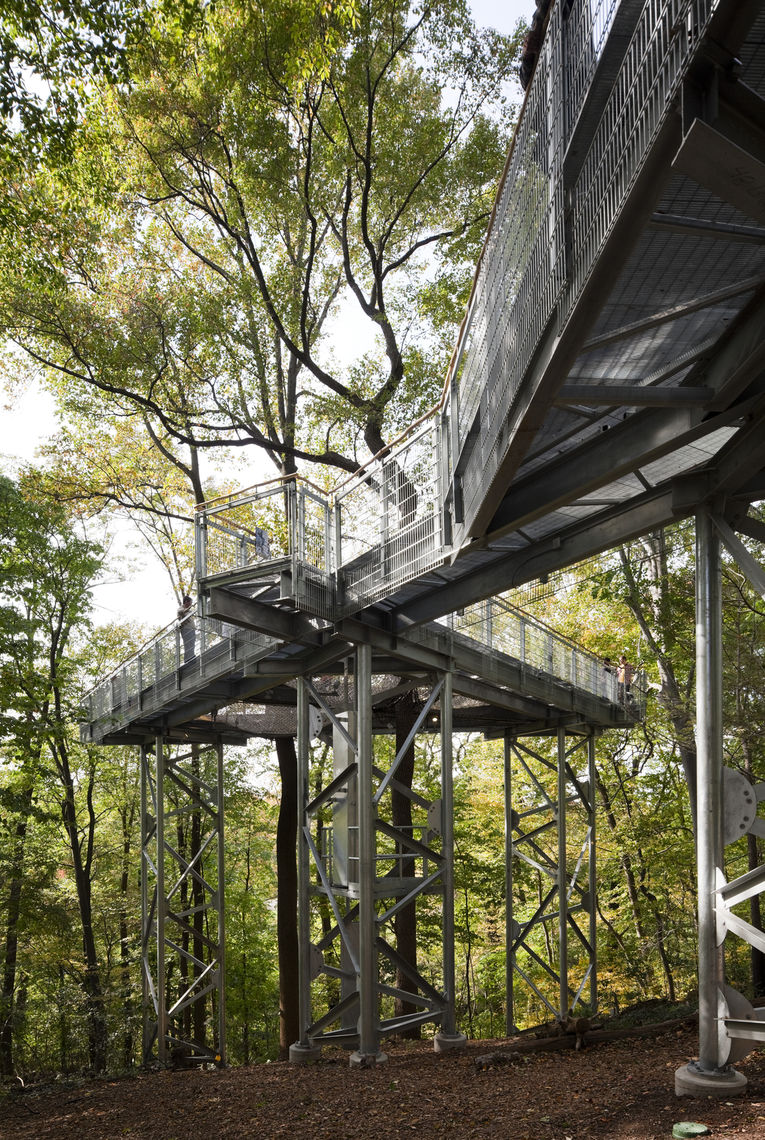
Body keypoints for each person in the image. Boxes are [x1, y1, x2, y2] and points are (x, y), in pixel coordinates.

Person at [178, 595, 196, 664]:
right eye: (190, 603)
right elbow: (180, 612)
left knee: (192, 644)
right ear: (186, 602)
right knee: (188, 645)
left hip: (191, 629)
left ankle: (192, 657)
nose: (191, 604)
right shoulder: (181, 609)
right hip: (186, 630)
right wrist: (189, 609)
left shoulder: (188, 611)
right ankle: (187, 660)